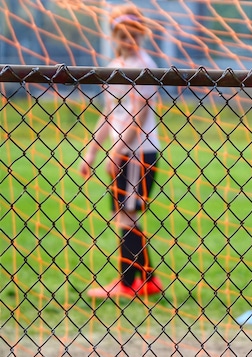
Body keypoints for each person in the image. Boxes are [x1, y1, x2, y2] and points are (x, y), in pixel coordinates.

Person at [78, 4, 162, 299]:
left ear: (141, 35)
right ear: (114, 34)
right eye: (122, 34)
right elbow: (108, 114)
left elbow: (139, 117)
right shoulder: (114, 67)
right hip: (122, 152)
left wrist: (118, 151)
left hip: (139, 153)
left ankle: (127, 284)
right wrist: (92, 153)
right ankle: (149, 280)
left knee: (127, 217)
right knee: (126, 217)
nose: (128, 39)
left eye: (134, 34)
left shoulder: (144, 67)